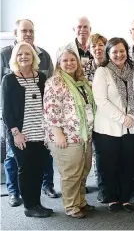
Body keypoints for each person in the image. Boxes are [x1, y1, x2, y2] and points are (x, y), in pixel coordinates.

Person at [0, 19, 57, 208]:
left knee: (38, 168)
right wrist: (15, 133)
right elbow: (7, 110)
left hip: (39, 132)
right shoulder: (9, 79)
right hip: (20, 133)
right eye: (21, 54)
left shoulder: (40, 77)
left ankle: (37, 204)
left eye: (28, 54)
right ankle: (29, 206)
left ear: (34, 57)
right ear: (15, 57)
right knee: (25, 169)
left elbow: (46, 103)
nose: (24, 57)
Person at [43, 47, 96, 219]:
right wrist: (58, 133)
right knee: (71, 173)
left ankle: (80, 201)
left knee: (83, 170)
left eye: (72, 60)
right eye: (65, 60)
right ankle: (71, 206)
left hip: (84, 135)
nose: (69, 63)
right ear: (58, 63)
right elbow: (51, 110)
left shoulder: (81, 80)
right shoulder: (55, 82)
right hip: (66, 137)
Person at [92, 37, 134, 213]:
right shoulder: (102, 72)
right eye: (114, 52)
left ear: (126, 52)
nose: (119, 55)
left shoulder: (133, 70)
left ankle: (125, 198)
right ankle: (111, 198)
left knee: (127, 165)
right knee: (109, 166)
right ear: (108, 54)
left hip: (130, 127)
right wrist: (122, 118)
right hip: (107, 128)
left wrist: (131, 115)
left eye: (122, 51)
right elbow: (101, 101)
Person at [82, 33, 108, 202]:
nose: (97, 49)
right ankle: (102, 187)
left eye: (101, 45)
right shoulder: (83, 68)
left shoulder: (111, 64)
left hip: (110, 114)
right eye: (94, 46)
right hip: (92, 114)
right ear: (89, 49)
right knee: (97, 153)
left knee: (112, 151)